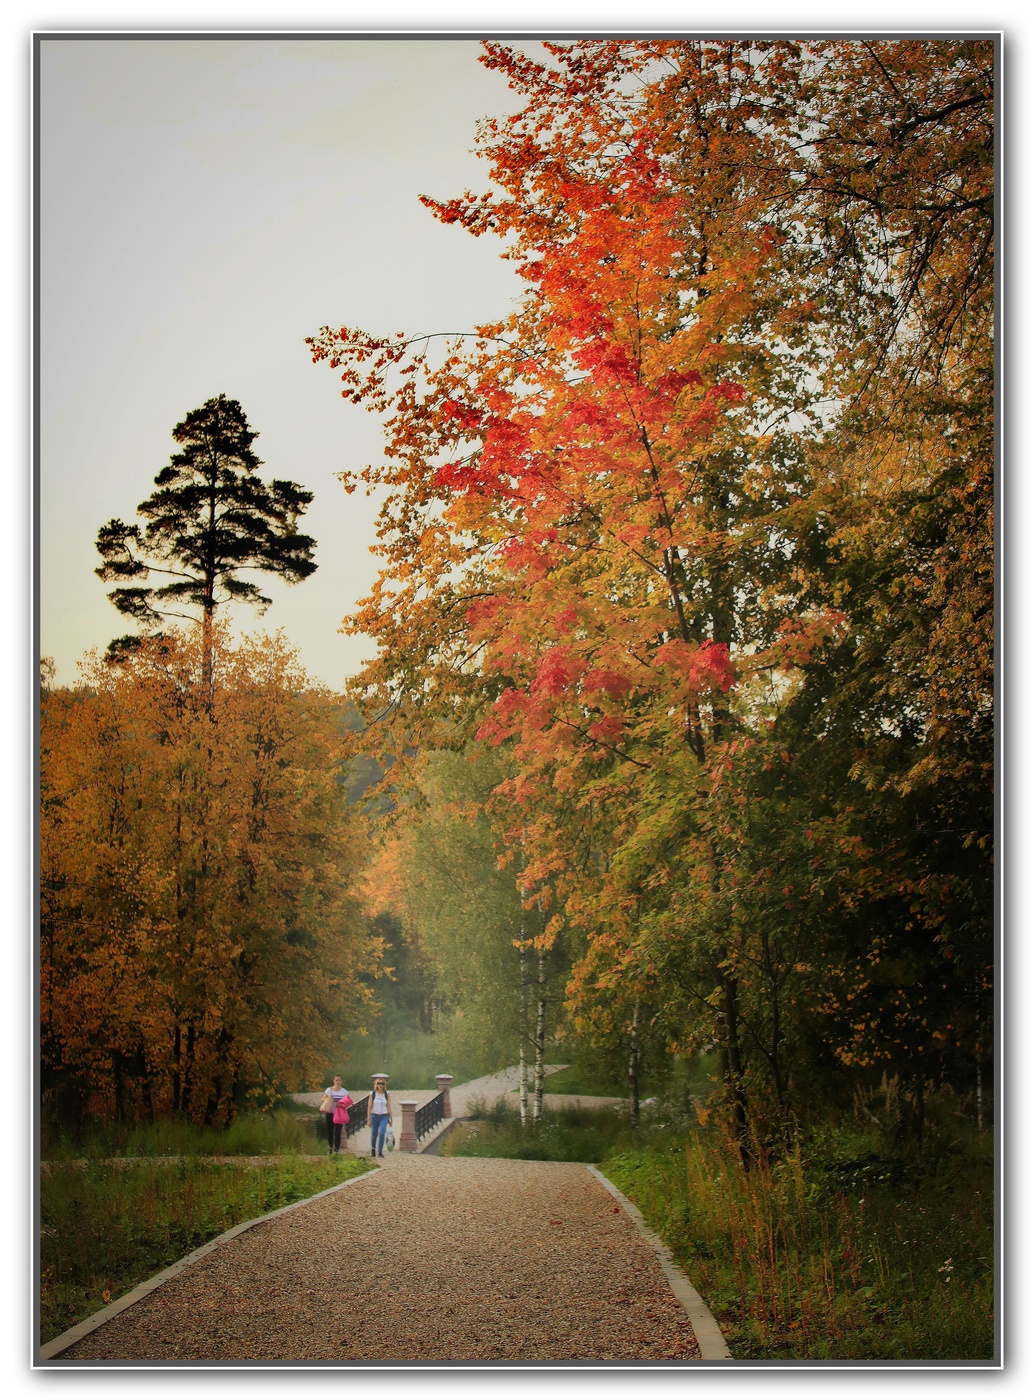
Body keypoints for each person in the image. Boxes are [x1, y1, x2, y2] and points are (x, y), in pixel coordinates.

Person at [320, 1075, 352, 1155]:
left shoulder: (344, 1092)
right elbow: (322, 1099)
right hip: (330, 1112)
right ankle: (330, 1147)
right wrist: (329, 1099)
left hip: (339, 1113)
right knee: (330, 1131)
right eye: (336, 1080)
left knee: (338, 1132)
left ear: (341, 1081)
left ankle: (337, 1149)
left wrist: (341, 1104)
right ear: (333, 1081)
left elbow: (348, 1101)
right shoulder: (329, 1090)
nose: (338, 1082)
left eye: (339, 1080)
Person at [369, 1076, 392, 1157]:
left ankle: (380, 1151)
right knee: (374, 1134)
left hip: (384, 1116)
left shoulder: (386, 1094)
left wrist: (391, 1117)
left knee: (381, 1133)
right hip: (374, 1116)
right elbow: (369, 1106)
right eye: (379, 1083)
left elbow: (388, 1106)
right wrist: (368, 1119)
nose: (380, 1085)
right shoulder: (373, 1094)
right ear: (376, 1085)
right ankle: (373, 1149)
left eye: (382, 1083)